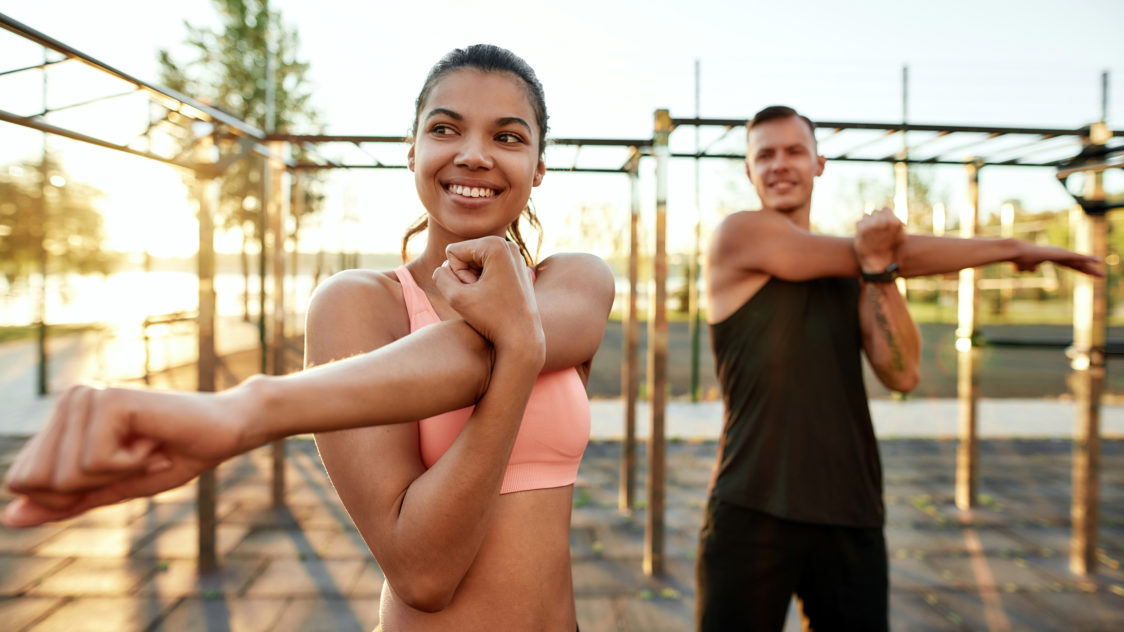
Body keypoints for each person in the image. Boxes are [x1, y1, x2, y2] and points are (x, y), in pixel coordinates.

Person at [3, 44, 615, 631]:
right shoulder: (358, 304)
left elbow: (477, 349)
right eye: (446, 129)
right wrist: (520, 357)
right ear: (413, 151)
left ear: (538, 169)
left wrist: (251, 409)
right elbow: (424, 575)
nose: (474, 155)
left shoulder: (575, 281)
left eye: (507, 137)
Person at [696, 105, 1103, 631]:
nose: (779, 165)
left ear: (819, 163)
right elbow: (885, 254)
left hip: (851, 510)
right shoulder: (740, 235)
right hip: (753, 509)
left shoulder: (863, 267)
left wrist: (879, 272)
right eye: (764, 155)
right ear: (748, 171)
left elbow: (903, 373)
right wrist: (1010, 247)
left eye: (794, 151)